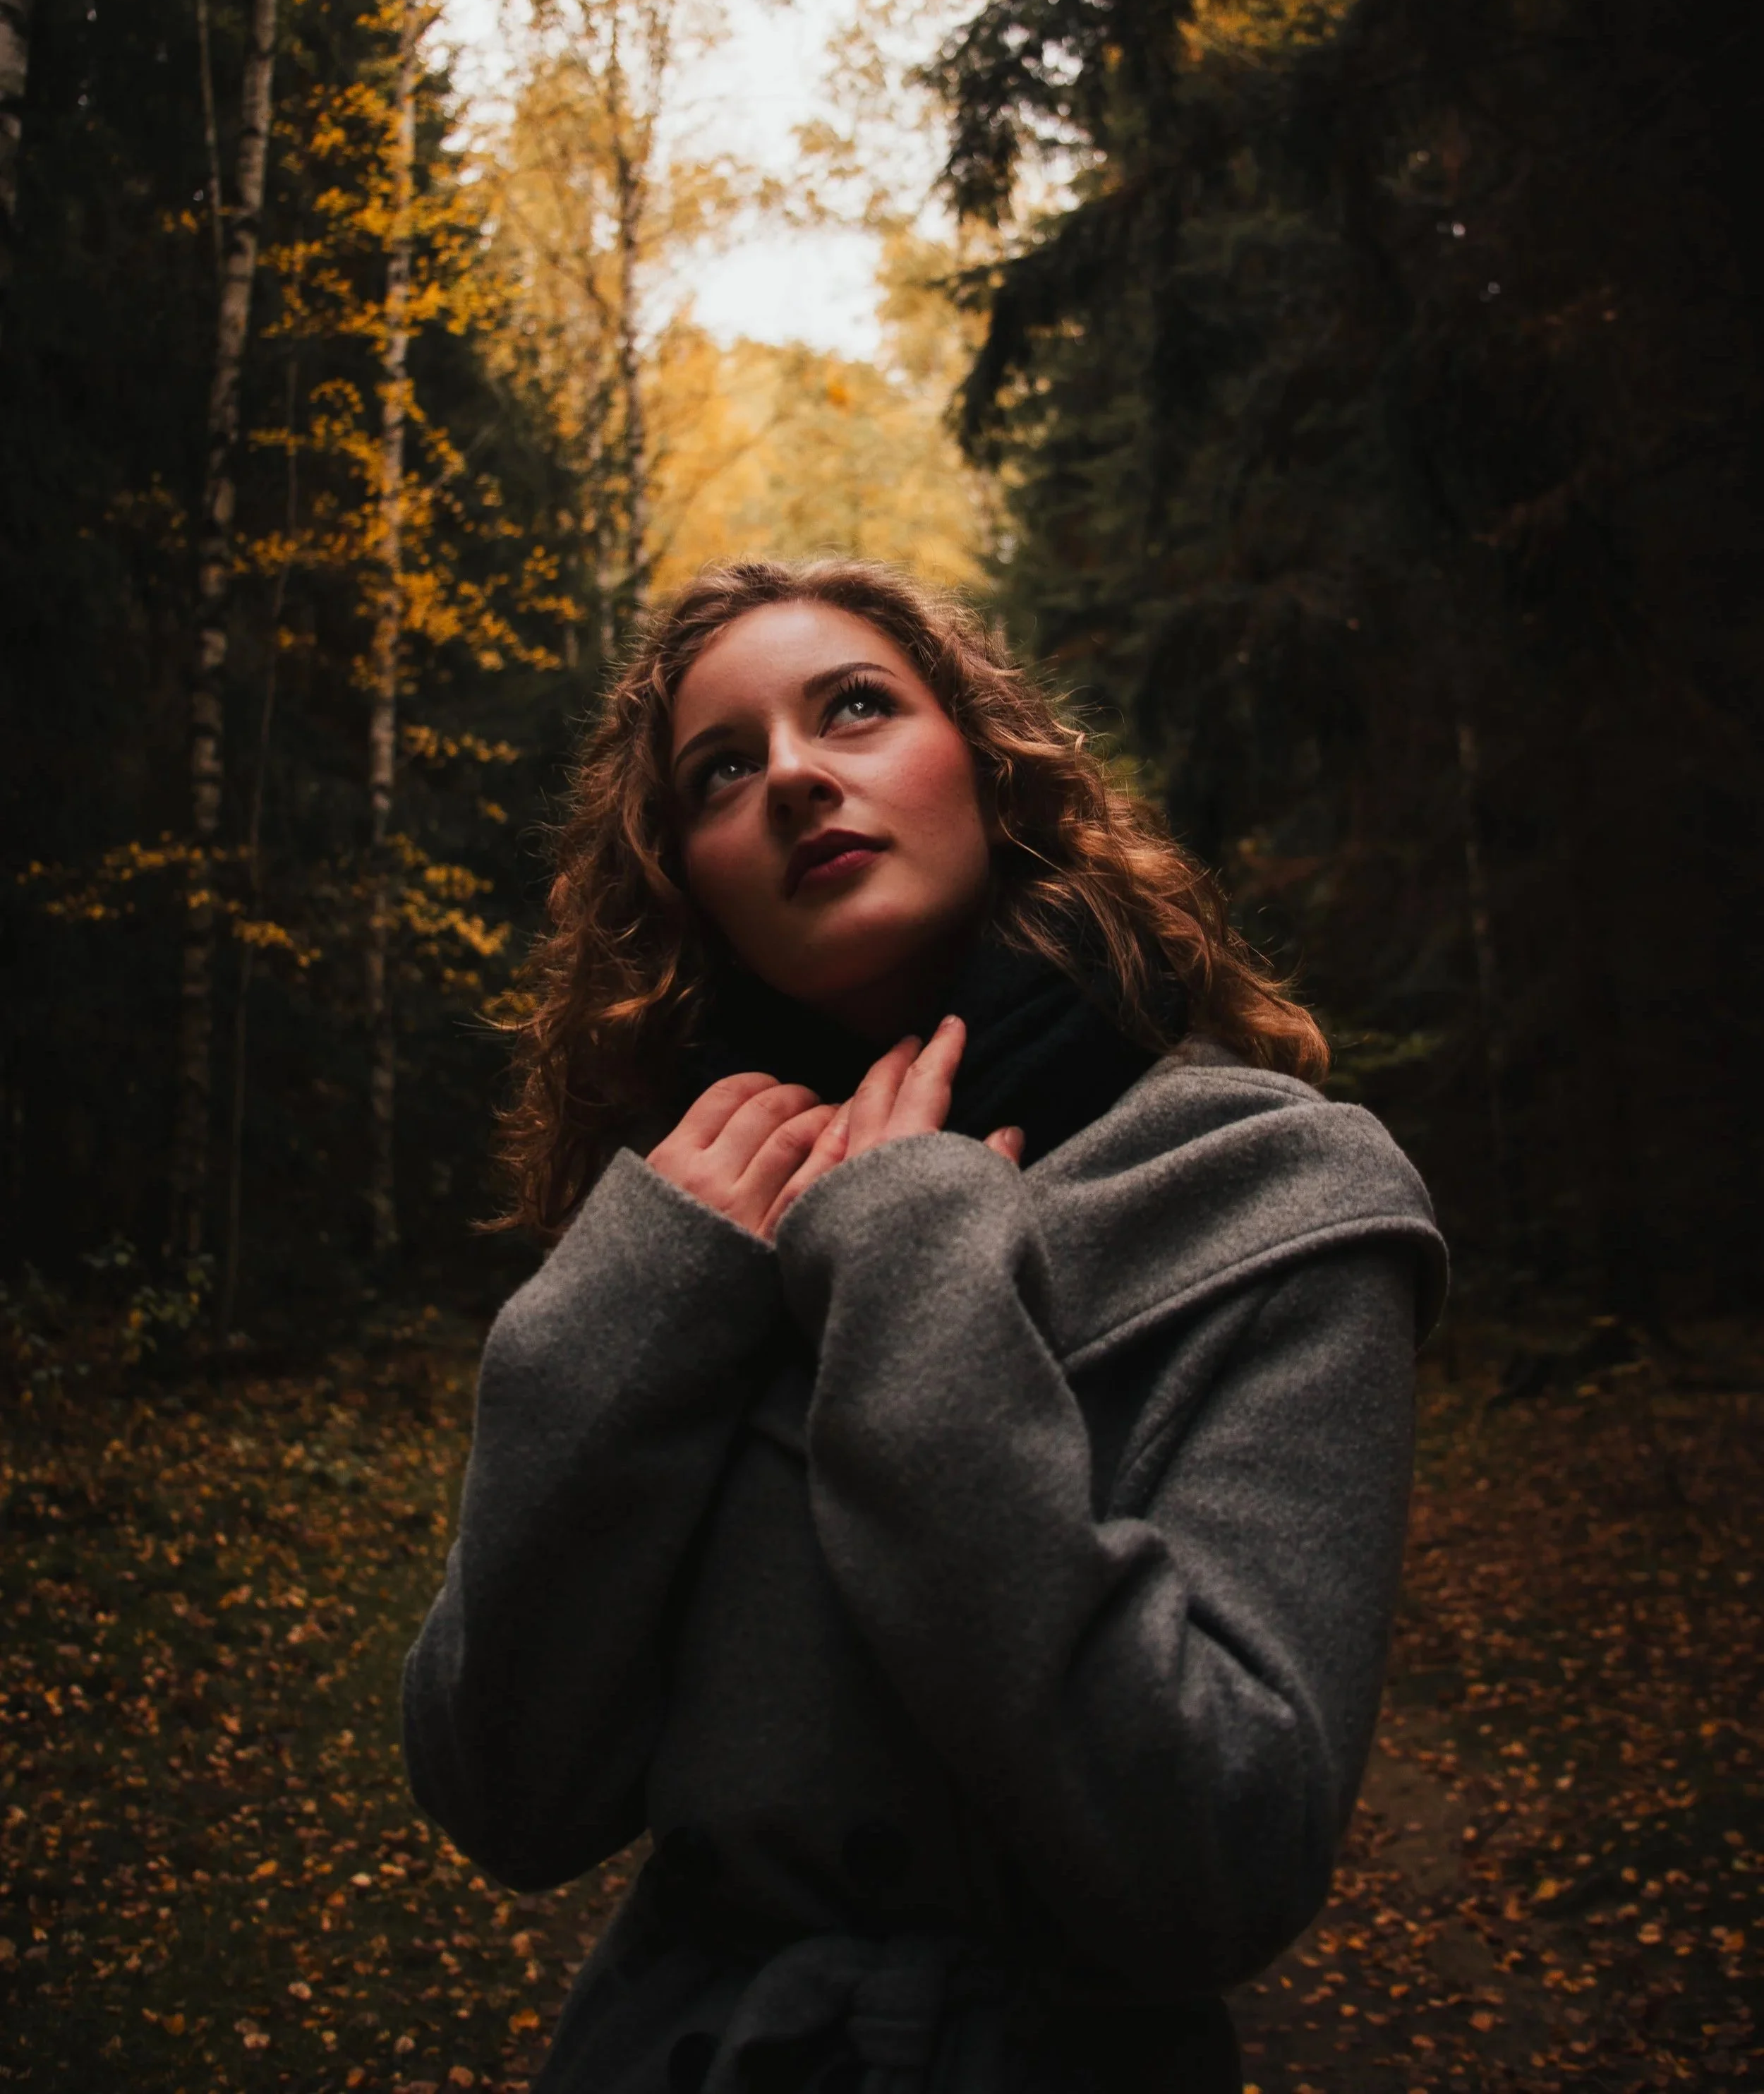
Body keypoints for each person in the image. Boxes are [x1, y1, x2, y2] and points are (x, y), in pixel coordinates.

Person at [401, 558, 1447, 2094]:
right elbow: (508, 1796)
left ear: (992, 768)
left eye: (856, 708)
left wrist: (905, 1260)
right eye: (721, 768)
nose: (795, 776)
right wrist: (608, 1319)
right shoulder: (693, 1229)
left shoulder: (1270, 1184)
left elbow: (1222, 1855)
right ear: (684, 877)